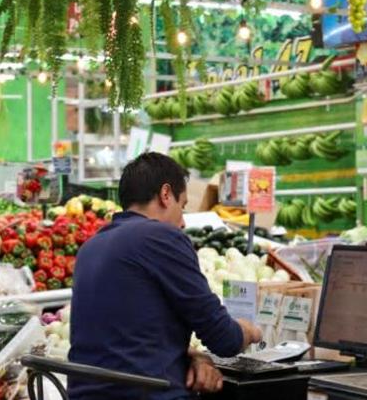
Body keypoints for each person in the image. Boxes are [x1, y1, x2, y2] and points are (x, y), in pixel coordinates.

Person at [69, 153, 263, 399]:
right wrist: (250, 331)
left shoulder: (90, 247)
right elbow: (224, 339)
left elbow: (125, 336)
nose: (182, 222)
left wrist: (190, 356)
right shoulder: (161, 237)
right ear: (165, 194)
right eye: (182, 206)